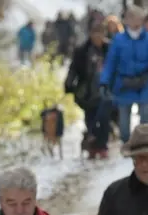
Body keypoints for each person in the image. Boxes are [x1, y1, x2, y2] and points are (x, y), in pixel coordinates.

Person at [101, 8, 148, 143]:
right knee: (124, 124)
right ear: (126, 20)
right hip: (124, 83)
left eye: (137, 17)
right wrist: (104, 82)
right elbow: (110, 63)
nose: (134, 20)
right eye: (131, 17)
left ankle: (144, 145)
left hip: (144, 82)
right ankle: (126, 144)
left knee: (145, 117)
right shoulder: (119, 39)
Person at [65, 22, 113, 159]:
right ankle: (93, 144)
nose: (98, 36)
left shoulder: (110, 49)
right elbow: (74, 68)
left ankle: (102, 145)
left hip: (106, 90)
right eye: (95, 33)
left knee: (103, 118)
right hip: (88, 91)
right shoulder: (82, 50)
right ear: (90, 34)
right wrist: (68, 84)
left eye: (100, 33)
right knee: (90, 118)